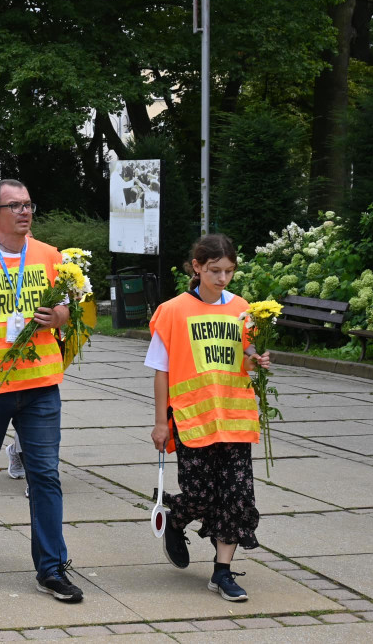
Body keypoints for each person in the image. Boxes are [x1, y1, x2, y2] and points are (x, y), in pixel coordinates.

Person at [0, 179, 83, 602]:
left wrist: (58, 315)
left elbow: (70, 309)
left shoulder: (49, 256)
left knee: (45, 474)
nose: (25, 212)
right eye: (15, 206)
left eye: (28, 204)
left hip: (41, 382)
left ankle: (51, 568)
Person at [146, 233, 269, 602]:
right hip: (192, 418)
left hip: (235, 417)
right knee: (200, 493)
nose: (223, 278)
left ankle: (223, 572)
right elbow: (161, 370)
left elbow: (245, 359)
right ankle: (177, 517)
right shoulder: (172, 310)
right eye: (215, 270)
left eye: (229, 271)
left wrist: (257, 360)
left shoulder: (243, 308)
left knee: (237, 496)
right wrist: (159, 421)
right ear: (197, 267)